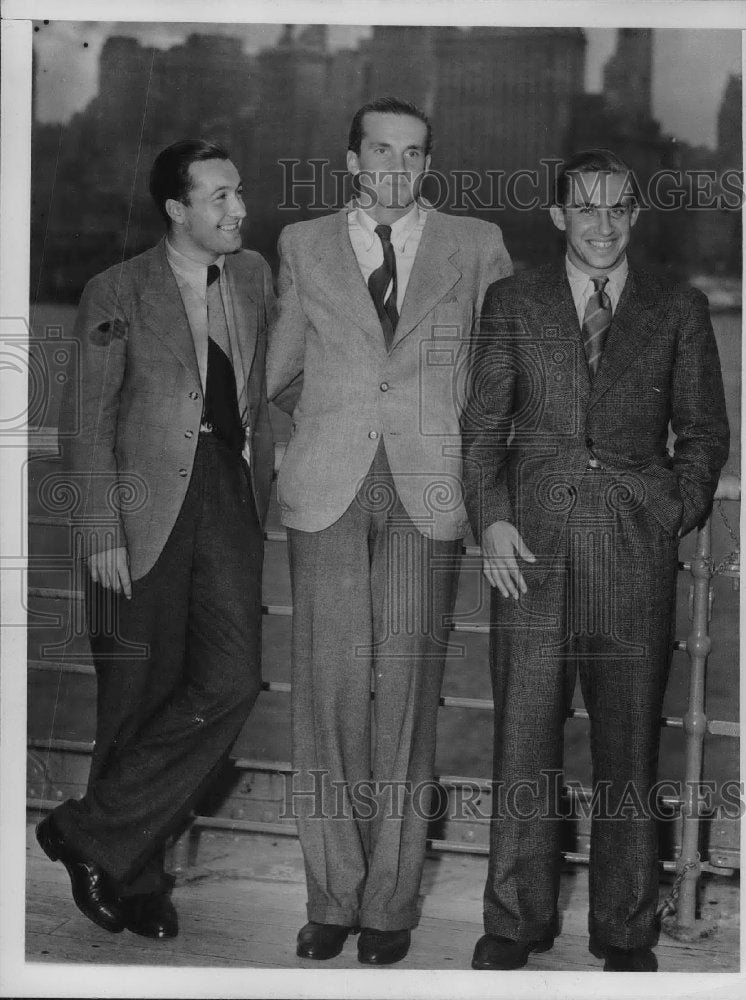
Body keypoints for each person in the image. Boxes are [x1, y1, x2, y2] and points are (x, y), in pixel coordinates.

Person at [462, 148, 729, 972]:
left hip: (633, 548)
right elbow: (482, 430)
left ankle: (624, 928)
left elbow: (706, 433)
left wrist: (671, 512)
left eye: (619, 209)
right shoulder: (513, 301)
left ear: (636, 216)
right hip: (529, 551)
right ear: (557, 217)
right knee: (524, 739)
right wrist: (493, 522)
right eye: (587, 209)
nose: (604, 225)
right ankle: (515, 921)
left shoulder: (678, 308)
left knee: (628, 744)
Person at [267, 96, 511, 965]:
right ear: (352, 160)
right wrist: (338, 424)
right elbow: (278, 371)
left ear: (428, 164)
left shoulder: (477, 245)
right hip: (329, 488)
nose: (397, 168)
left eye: (413, 154)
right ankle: (332, 897)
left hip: (429, 492)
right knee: (324, 701)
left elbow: (496, 380)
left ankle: (390, 907)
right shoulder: (300, 244)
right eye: (381, 151)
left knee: (407, 703)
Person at [36, 139, 275, 940]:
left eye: (238, 193)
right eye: (218, 198)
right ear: (177, 210)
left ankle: (89, 831)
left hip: (228, 497)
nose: (237, 209)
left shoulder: (253, 276)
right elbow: (85, 422)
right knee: (135, 698)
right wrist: (100, 525)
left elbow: (282, 375)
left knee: (233, 679)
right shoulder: (118, 288)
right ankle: (136, 880)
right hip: (141, 512)